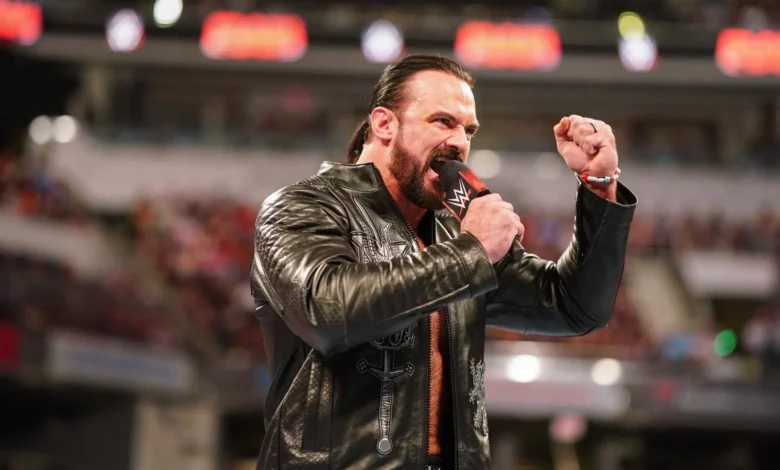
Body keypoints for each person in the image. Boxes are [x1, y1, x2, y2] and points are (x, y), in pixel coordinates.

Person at [250, 54, 637, 469]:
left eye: (468, 130)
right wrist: (473, 252)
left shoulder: (456, 232)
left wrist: (599, 187)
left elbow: (573, 307)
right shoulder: (301, 207)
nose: (460, 142)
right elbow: (328, 312)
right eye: (443, 121)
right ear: (384, 124)